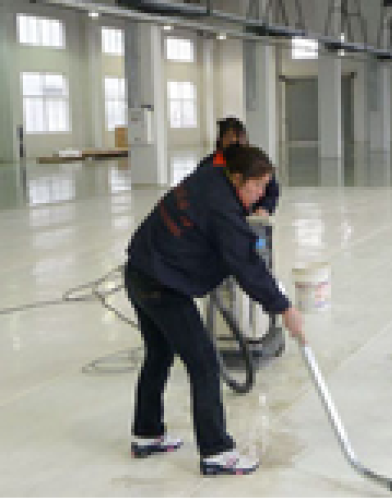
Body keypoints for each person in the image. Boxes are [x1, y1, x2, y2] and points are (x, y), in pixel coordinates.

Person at [124, 143, 304, 475]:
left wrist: (263, 200)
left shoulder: (210, 175)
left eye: (265, 186)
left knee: (159, 355)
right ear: (237, 178)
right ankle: (216, 453)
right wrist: (284, 308)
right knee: (204, 364)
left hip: (139, 270)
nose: (261, 193)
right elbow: (246, 265)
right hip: (162, 286)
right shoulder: (223, 209)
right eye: (256, 186)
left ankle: (147, 434)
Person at [199, 116, 280, 216]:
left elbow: (272, 191)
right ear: (220, 139)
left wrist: (265, 208)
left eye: (239, 137)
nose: (234, 141)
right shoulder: (209, 165)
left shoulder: (257, 162)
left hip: (251, 215)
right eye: (229, 137)